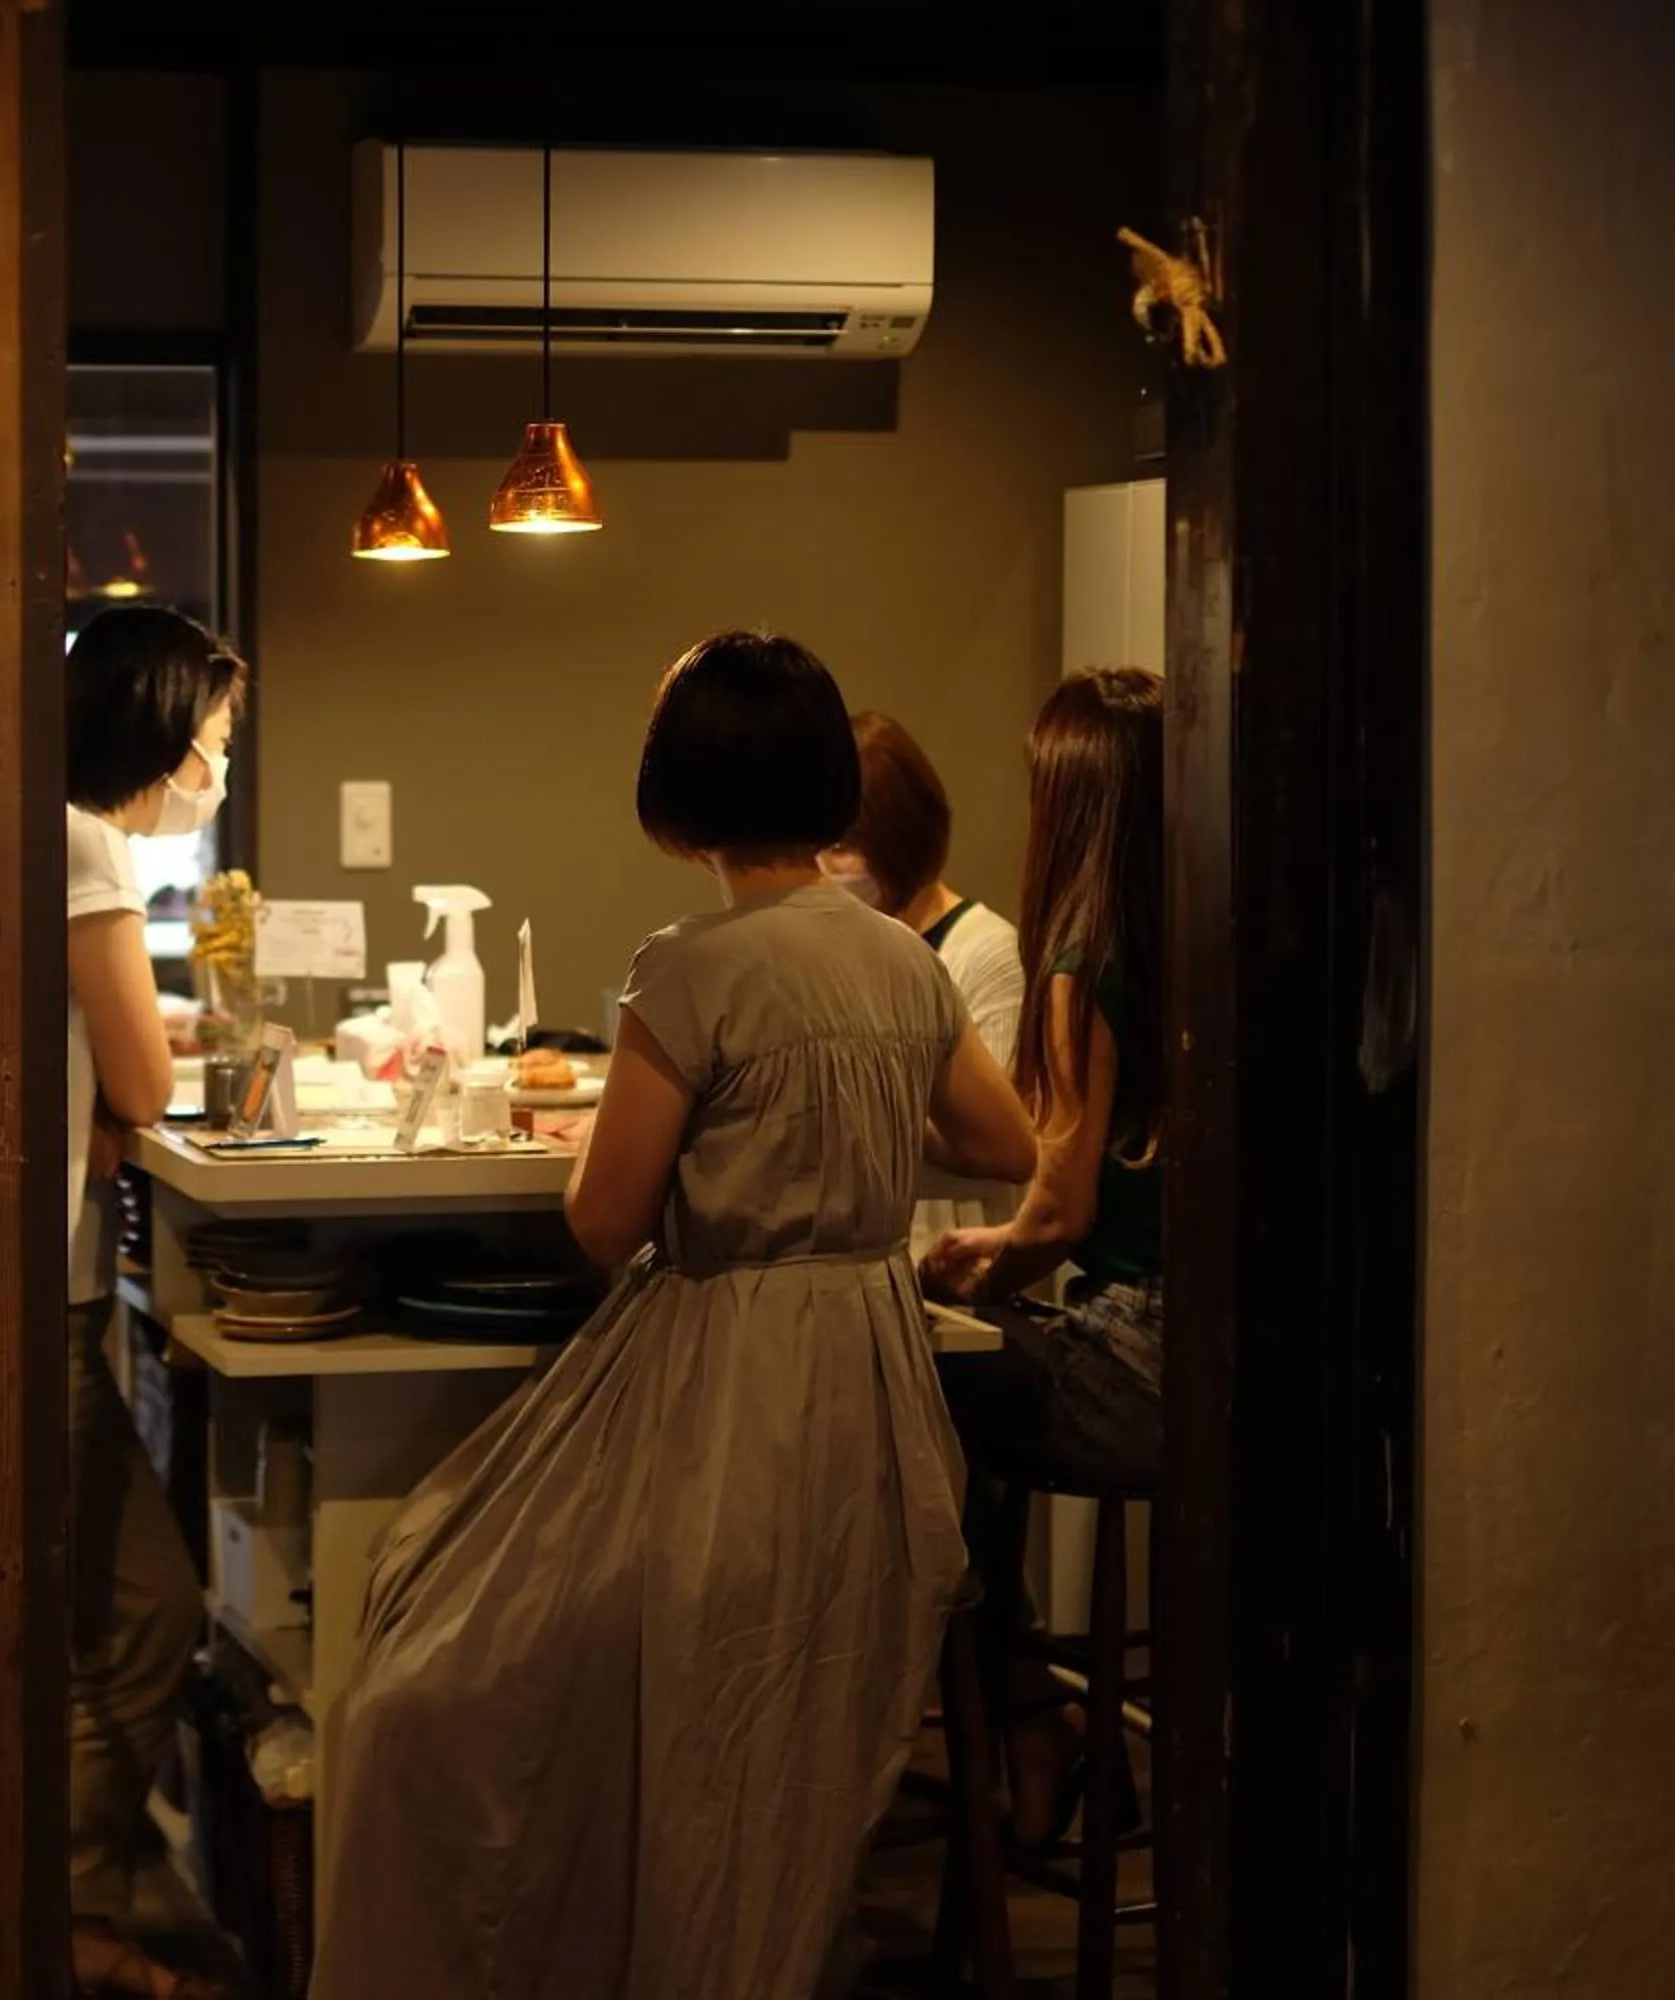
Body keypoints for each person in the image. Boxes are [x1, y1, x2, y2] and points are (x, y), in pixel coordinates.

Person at [311, 632, 1037, 1999]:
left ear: (679, 792)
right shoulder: (904, 960)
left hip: (727, 1374)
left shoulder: (686, 967)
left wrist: (664, 1137)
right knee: (762, 1717)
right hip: (873, 1383)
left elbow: (605, 1220)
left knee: (433, 1645)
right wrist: (852, 1126)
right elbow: (1004, 1147)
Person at [0, 605, 244, 1999]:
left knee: (50, 1632)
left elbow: (87, 1084)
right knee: (128, 1619)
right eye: (215, 736)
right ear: (163, 728)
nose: (215, 766)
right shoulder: (86, 842)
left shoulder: (36, 832)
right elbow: (143, 1085)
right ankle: (18, 1929)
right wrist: (120, 1095)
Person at [919, 665, 1166, 1849]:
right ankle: (1037, 1713)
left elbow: (1058, 1218)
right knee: (964, 1376)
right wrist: (1000, 1254)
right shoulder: (1210, 939)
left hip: (1139, 1373)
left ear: (1071, 799)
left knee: (904, 1372)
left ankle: (1023, 1705)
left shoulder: (1084, 956)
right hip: (1238, 1369)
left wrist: (971, 1268)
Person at [825, 709, 1028, 1257]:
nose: (823, 867)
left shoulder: (986, 951)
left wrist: (861, 1114)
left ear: (899, 837)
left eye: (841, 846)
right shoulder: (843, 950)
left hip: (953, 1255)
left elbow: (1001, 1149)